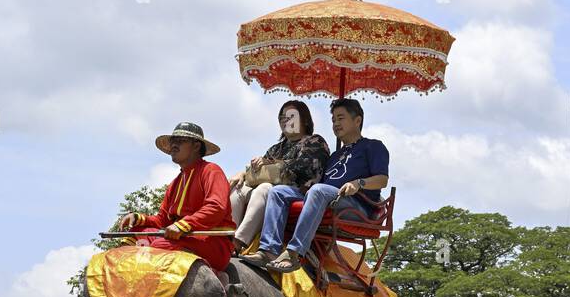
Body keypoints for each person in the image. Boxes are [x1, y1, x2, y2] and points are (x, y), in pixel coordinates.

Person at [250, 97, 390, 273]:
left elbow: (382, 179)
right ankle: (268, 250)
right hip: (325, 196)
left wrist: (358, 183)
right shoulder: (335, 155)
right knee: (278, 191)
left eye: (340, 118)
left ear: (357, 120)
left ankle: (294, 253)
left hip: (354, 204)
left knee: (318, 190)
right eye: (333, 120)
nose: (335, 123)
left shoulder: (373, 146)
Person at [117, 122, 235, 272]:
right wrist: (138, 218)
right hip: (182, 238)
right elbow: (162, 221)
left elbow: (216, 207)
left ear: (196, 146)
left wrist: (183, 225)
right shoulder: (175, 183)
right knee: (136, 235)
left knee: (160, 247)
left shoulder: (211, 170)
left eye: (180, 141)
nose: (173, 145)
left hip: (212, 242)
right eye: (173, 141)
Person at [229, 101, 330, 256]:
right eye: (282, 117)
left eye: (291, 116)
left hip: (298, 193)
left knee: (265, 188)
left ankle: (238, 242)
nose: (285, 120)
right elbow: (256, 173)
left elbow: (300, 168)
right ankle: (227, 236)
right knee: (239, 188)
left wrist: (270, 166)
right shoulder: (277, 148)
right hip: (269, 194)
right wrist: (243, 174)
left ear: (305, 120)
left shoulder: (315, 142)